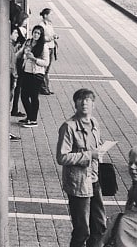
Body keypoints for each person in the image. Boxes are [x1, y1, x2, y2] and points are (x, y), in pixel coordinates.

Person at [56, 88, 107, 247]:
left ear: (94, 104)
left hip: (94, 180)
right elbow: (62, 157)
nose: (84, 103)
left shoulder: (94, 123)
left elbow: (96, 147)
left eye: (88, 100)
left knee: (98, 226)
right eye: (80, 100)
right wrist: (89, 155)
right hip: (78, 184)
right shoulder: (69, 127)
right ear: (75, 104)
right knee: (82, 230)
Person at [17, 24, 50, 128]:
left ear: (41, 35)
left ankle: (33, 119)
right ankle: (29, 116)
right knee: (24, 95)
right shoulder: (28, 42)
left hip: (37, 74)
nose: (36, 35)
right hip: (26, 72)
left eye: (38, 33)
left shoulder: (43, 46)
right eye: (35, 32)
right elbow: (21, 52)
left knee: (34, 96)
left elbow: (46, 62)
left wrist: (34, 59)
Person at [39, 7, 57, 95]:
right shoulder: (41, 25)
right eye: (51, 15)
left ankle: (46, 87)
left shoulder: (50, 24)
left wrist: (54, 36)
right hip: (46, 48)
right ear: (45, 15)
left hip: (51, 47)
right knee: (44, 69)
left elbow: (52, 34)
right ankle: (43, 88)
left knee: (47, 69)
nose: (52, 17)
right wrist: (51, 38)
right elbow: (42, 38)